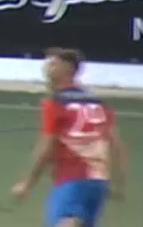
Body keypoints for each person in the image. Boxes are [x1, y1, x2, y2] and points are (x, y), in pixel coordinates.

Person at [11, 47, 127, 227]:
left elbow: (46, 147)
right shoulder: (97, 103)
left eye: (52, 65)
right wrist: (119, 182)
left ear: (68, 69)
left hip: (71, 178)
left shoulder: (55, 103)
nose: (46, 69)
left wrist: (27, 183)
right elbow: (117, 144)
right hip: (98, 182)